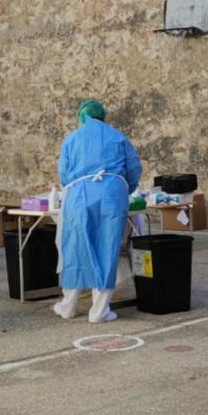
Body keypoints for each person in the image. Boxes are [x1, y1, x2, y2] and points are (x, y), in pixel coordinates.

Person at [53, 99, 142, 323]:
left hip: (78, 195)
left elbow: (64, 173)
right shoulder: (118, 137)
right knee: (107, 247)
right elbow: (133, 169)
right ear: (102, 116)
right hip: (111, 195)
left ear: (81, 116)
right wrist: (124, 189)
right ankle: (99, 310)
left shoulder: (72, 139)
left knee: (75, 247)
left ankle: (68, 306)